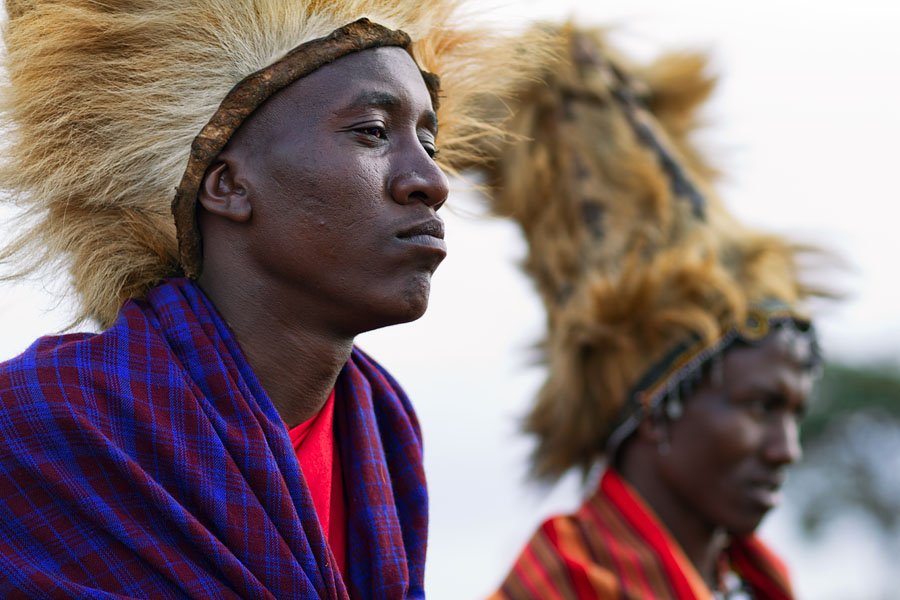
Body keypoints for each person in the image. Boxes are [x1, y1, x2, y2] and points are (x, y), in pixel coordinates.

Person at [0, 1, 538, 597]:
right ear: (227, 184)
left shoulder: (383, 425)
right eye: (373, 132)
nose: (432, 183)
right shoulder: (43, 422)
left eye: (429, 144)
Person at [478, 25, 825, 599]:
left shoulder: (760, 585)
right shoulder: (561, 587)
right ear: (657, 409)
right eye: (761, 406)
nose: (786, 448)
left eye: (793, 413)